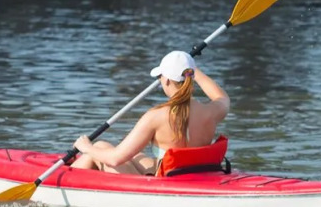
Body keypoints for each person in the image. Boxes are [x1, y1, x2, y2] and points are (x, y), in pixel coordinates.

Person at [71, 51, 229, 175]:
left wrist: (86, 147)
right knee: (111, 148)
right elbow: (222, 97)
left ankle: (63, 179)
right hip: (189, 174)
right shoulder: (211, 111)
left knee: (95, 152)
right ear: (190, 77)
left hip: (167, 183)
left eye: (160, 77)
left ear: (166, 80)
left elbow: (115, 159)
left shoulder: (156, 116)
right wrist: (194, 70)